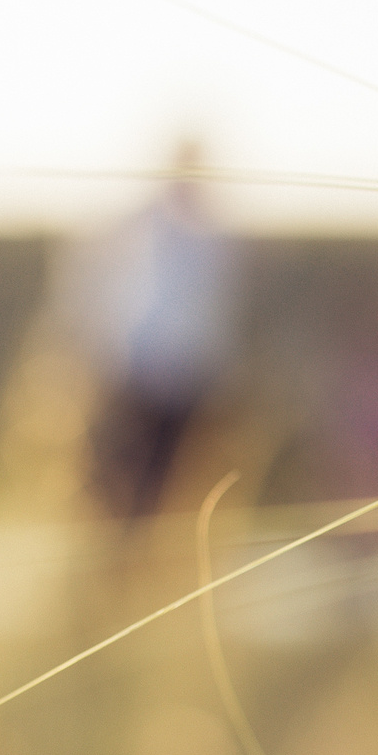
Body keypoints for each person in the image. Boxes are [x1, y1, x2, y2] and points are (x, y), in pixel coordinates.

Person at [50, 141, 243, 525]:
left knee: (169, 491)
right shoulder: (134, 225)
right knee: (115, 486)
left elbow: (218, 314)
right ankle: (116, 561)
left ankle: (143, 562)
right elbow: (94, 295)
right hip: (131, 381)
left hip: (188, 387)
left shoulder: (217, 237)